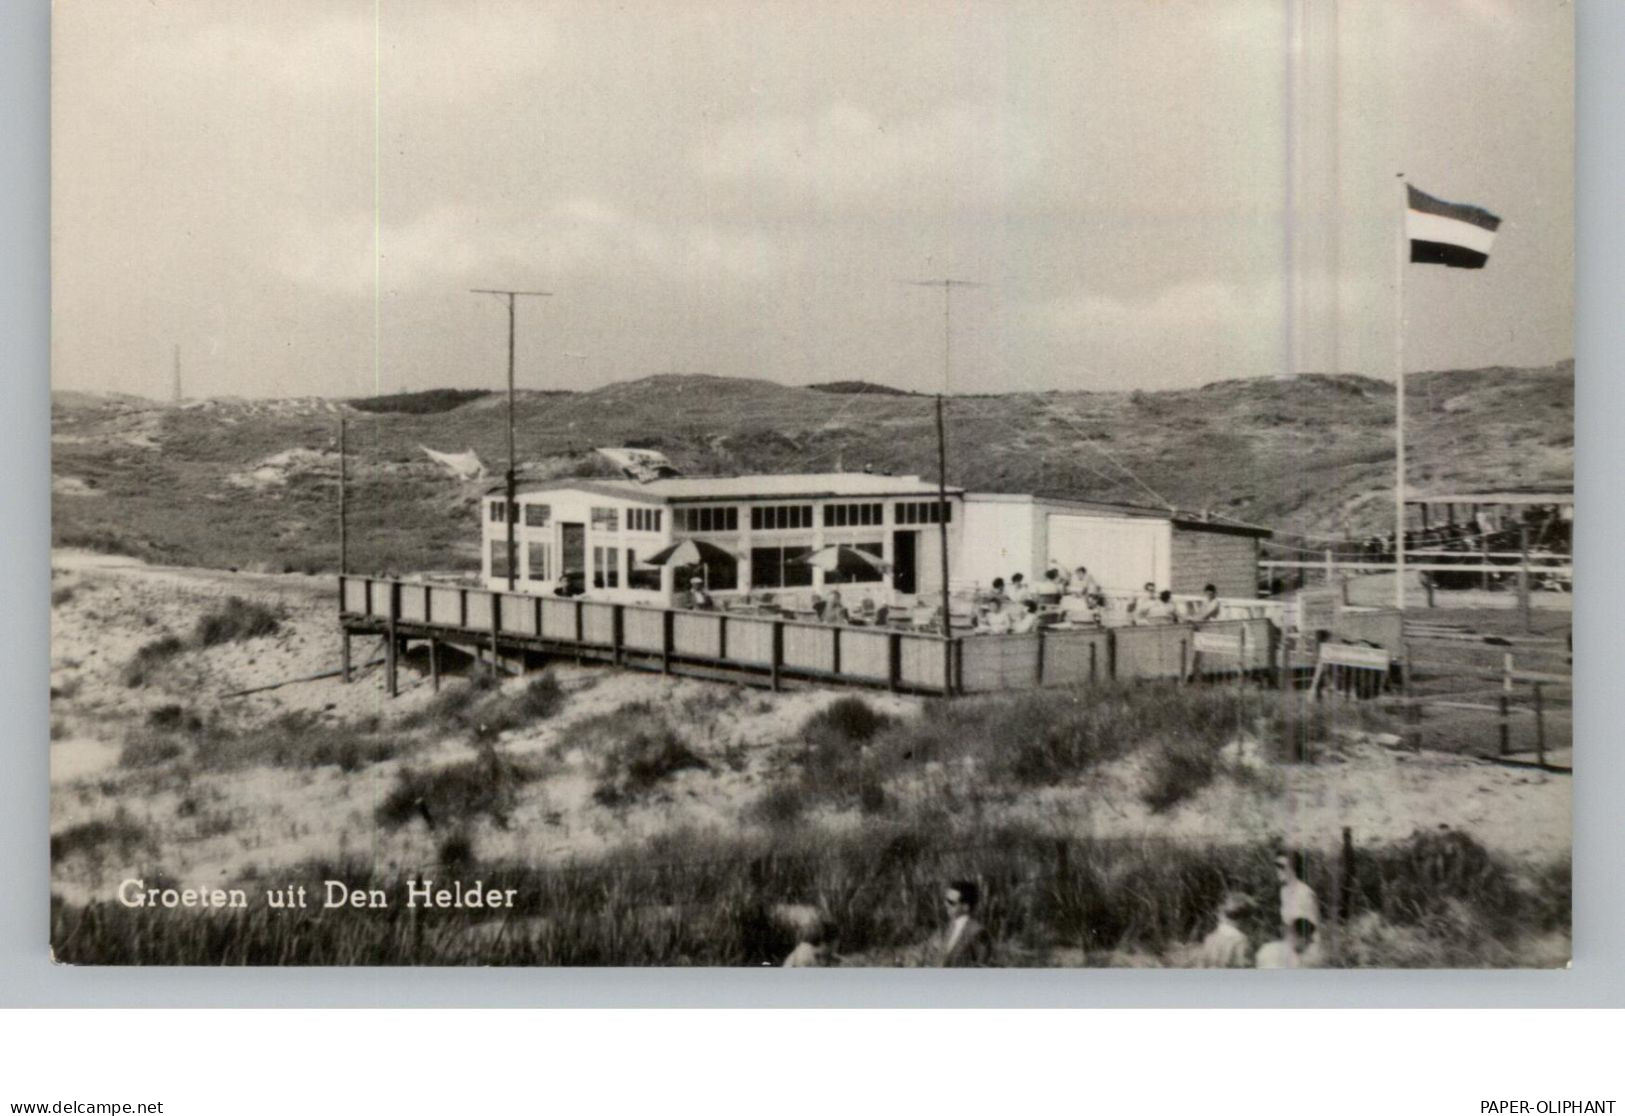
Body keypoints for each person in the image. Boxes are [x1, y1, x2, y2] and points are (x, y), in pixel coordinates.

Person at [934, 880, 991, 967]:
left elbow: (982, 966)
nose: (945, 904)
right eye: (945, 900)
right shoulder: (949, 926)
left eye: (951, 902)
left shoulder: (978, 932)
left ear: (965, 907)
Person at [1197, 893, 1254, 968]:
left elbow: (1201, 966)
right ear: (1245, 918)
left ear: (1221, 914)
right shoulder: (1240, 941)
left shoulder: (1210, 938)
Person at [1275, 850, 1320, 931]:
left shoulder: (1306, 893)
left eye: (1281, 866)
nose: (1278, 871)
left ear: (1293, 868)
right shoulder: (1283, 891)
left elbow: (1314, 930)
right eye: (1276, 866)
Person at [1255, 918, 1325, 970]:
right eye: (1309, 940)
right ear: (1300, 938)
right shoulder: (1273, 952)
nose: (1309, 945)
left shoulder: (1294, 956)